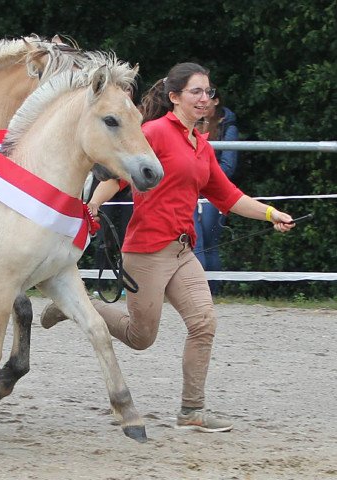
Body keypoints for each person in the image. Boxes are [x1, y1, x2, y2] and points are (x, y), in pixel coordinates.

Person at [40, 62, 296, 433]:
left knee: (204, 323)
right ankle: (74, 306)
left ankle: (191, 411)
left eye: (208, 92)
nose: (204, 99)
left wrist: (271, 213)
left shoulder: (201, 146)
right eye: (195, 91)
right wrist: (92, 205)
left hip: (182, 252)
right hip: (146, 251)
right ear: (174, 97)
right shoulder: (155, 132)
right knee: (140, 337)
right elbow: (117, 173)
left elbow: (228, 195)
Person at [193, 85, 239, 295]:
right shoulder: (194, 124)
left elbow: (228, 165)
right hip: (193, 190)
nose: (203, 103)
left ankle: (212, 290)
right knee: (197, 240)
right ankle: (199, 290)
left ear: (216, 101)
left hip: (213, 191)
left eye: (208, 98)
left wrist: (204, 179)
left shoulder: (228, 128)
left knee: (209, 242)